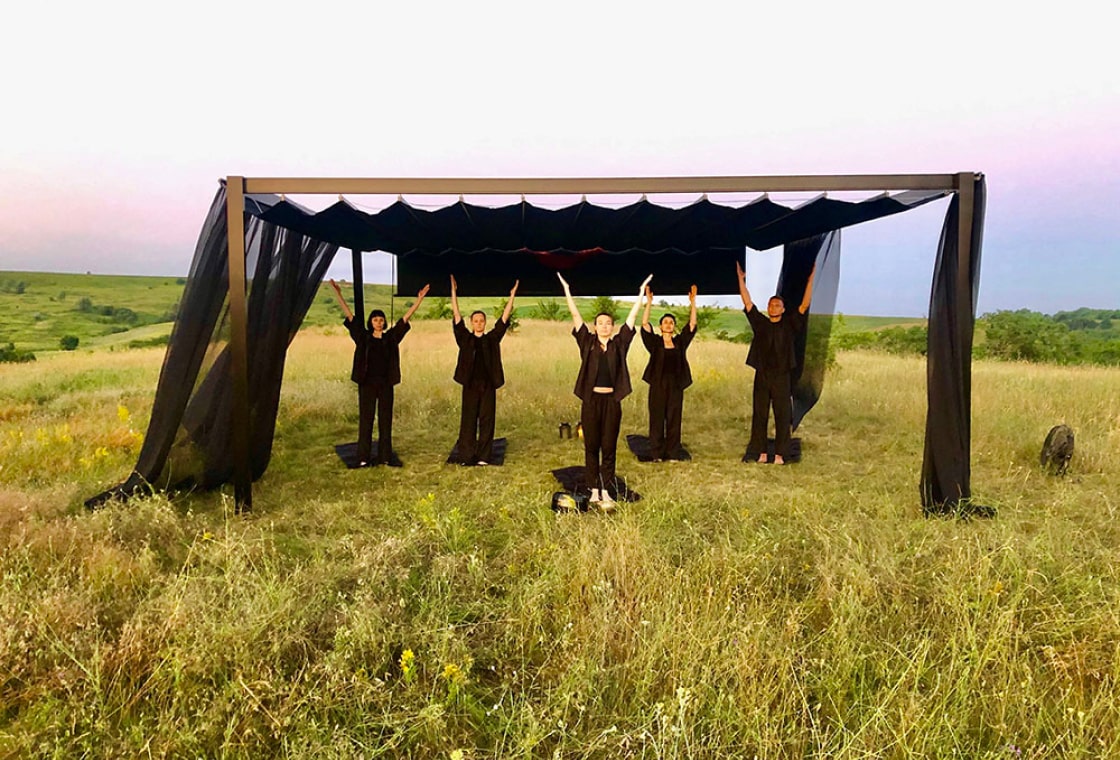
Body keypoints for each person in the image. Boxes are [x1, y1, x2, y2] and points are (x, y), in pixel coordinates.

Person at [559, 272, 652, 509]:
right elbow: (575, 315)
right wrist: (567, 290)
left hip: (612, 402)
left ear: (612, 327)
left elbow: (632, 319)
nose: (604, 326)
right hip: (591, 402)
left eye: (608, 323)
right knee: (592, 447)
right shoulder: (587, 342)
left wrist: (640, 293)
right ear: (595, 326)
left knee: (609, 446)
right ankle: (593, 490)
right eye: (600, 323)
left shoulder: (619, 344)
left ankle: (606, 490)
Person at [330, 279, 429, 467]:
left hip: (385, 384)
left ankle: (385, 456)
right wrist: (339, 294)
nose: (378, 322)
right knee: (366, 420)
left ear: (384, 323)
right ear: (371, 322)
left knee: (385, 421)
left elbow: (404, 319)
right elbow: (350, 316)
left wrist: (419, 300)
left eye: (381, 320)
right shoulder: (363, 337)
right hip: (367, 384)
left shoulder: (391, 338)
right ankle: (363, 457)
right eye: (375, 319)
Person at [736, 260, 814, 464]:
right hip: (762, 375)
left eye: (777, 305)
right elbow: (748, 303)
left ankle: (781, 453)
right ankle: (760, 452)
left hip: (782, 377)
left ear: (783, 309)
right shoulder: (761, 323)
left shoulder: (790, 325)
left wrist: (811, 280)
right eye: (771, 304)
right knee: (760, 414)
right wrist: (741, 280)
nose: (773, 307)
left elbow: (804, 305)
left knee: (782, 414)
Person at [450, 275, 519, 465]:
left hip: (488, 385)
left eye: (481, 320)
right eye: (476, 321)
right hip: (470, 385)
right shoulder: (465, 339)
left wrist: (512, 296)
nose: (479, 323)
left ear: (485, 322)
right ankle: (466, 455)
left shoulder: (491, 339)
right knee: (468, 420)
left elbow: (504, 320)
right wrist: (453, 292)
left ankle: (483, 456)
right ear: (471, 323)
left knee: (487, 420)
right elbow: (456, 316)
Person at [640, 283, 698, 461]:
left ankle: (673, 453)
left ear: (674, 327)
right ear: (660, 326)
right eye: (665, 322)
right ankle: (656, 453)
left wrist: (693, 302)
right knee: (657, 419)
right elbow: (644, 324)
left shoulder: (680, 342)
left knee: (674, 419)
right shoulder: (655, 343)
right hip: (657, 385)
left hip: (675, 386)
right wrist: (649, 302)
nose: (668, 324)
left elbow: (692, 325)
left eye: (671, 322)